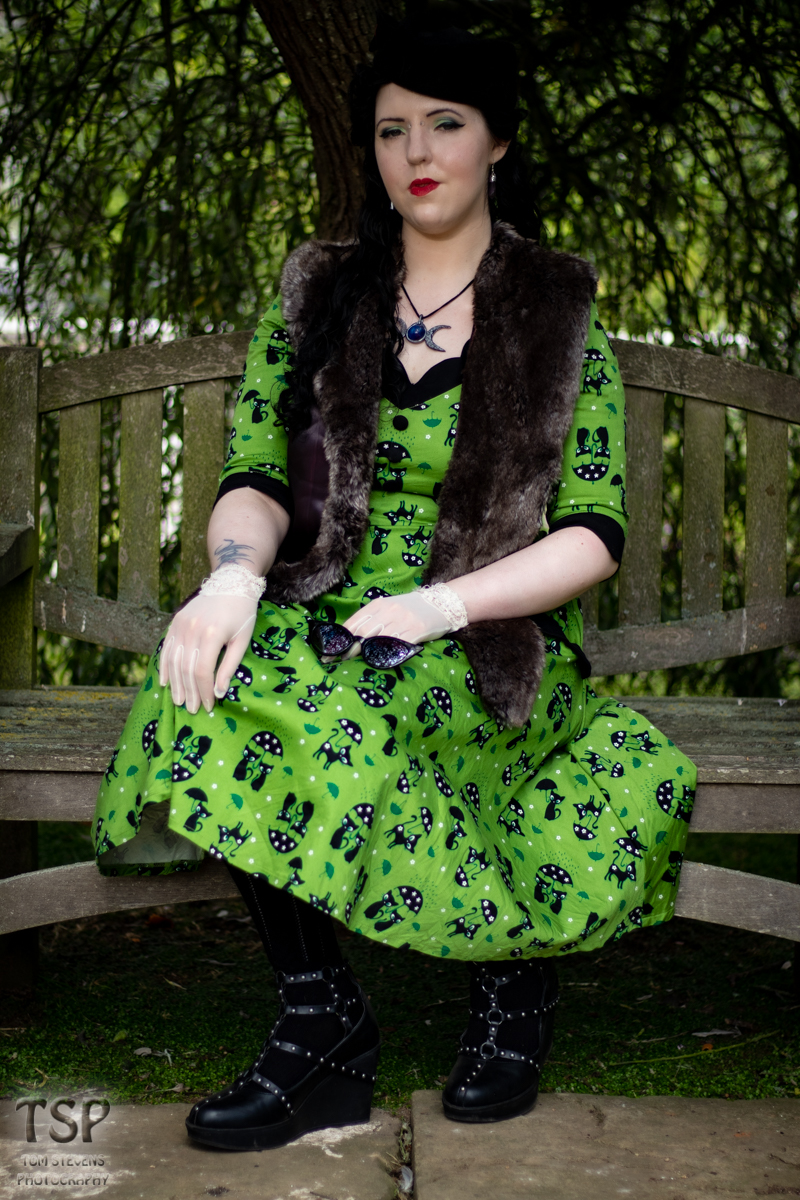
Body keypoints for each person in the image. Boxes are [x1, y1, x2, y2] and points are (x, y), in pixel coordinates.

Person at [90, 17, 696, 1151]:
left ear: (496, 143)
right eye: (390, 130)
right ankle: (321, 1022)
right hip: (328, 609)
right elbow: (254, 475)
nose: (416, 152)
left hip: (483, 632)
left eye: (445, 124)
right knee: (214, 680)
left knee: (361, 697)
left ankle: (512, 986)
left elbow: (593, 532)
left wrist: (437, 606)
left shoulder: (556, 311)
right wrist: (232, 581)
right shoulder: (319, 293)